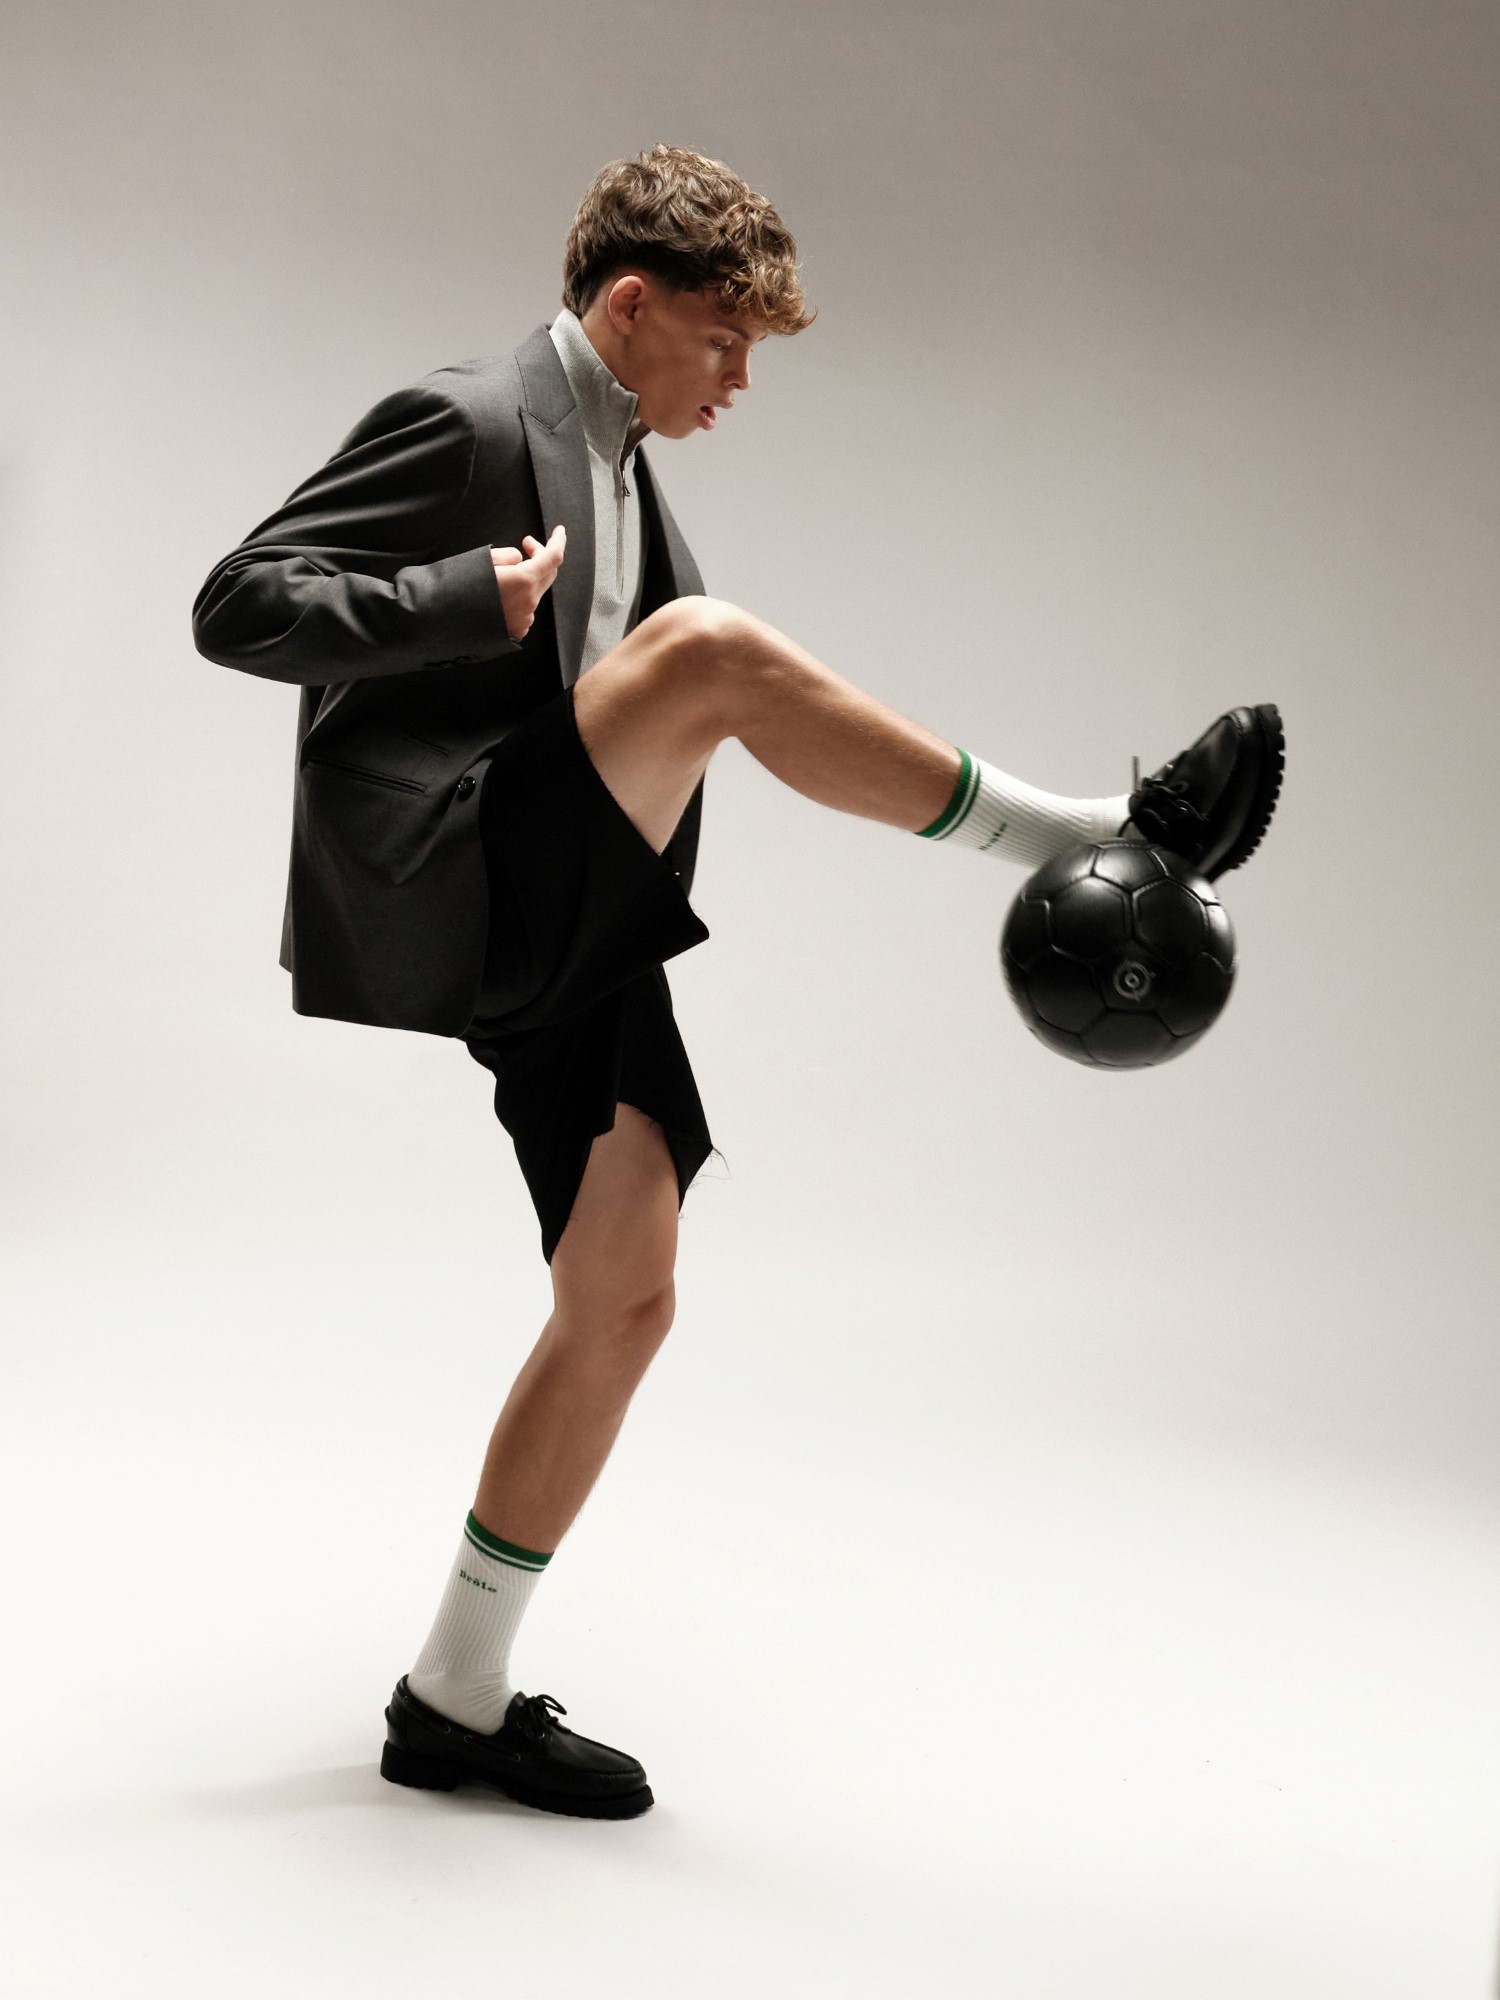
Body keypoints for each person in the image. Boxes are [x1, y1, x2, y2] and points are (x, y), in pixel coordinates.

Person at [192, 143, 1284, 1822]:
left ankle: (452, 1696)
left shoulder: (632, 481)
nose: (741, 379)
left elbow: (751, 737)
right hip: (462, 865)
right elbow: (236, 603)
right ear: (630, 307)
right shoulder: (470, 423)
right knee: (708, 656)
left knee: (625, 1298)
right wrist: (460, 598)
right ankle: (1101, 832)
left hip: (573, 915)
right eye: (725, 339)